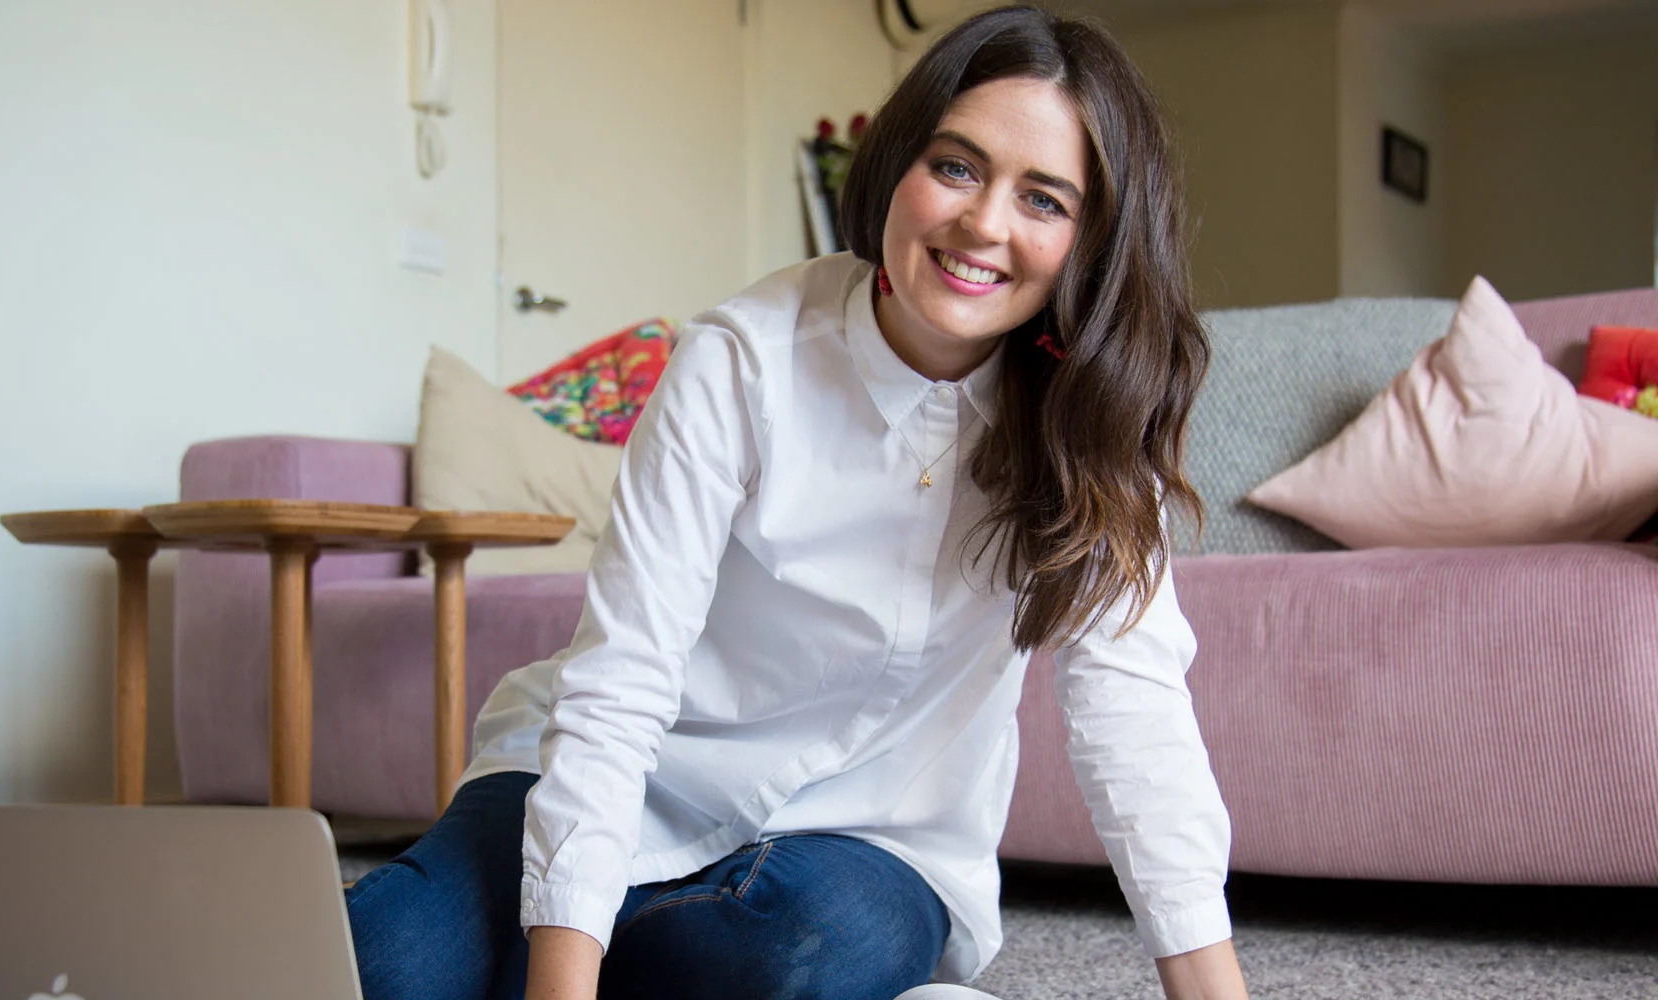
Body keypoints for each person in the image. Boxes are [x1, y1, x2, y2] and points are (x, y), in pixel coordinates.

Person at [347, 6, 1250, 999]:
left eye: (1042, 199)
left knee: (806, 952)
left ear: (1091, 239)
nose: (983, 224)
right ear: (898, 163)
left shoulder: (1088, 424)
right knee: (376, 960)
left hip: (864, 839)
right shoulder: (737, 361)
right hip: (628, 777)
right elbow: (622, 684)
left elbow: (1134, 725)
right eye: (954, 166)